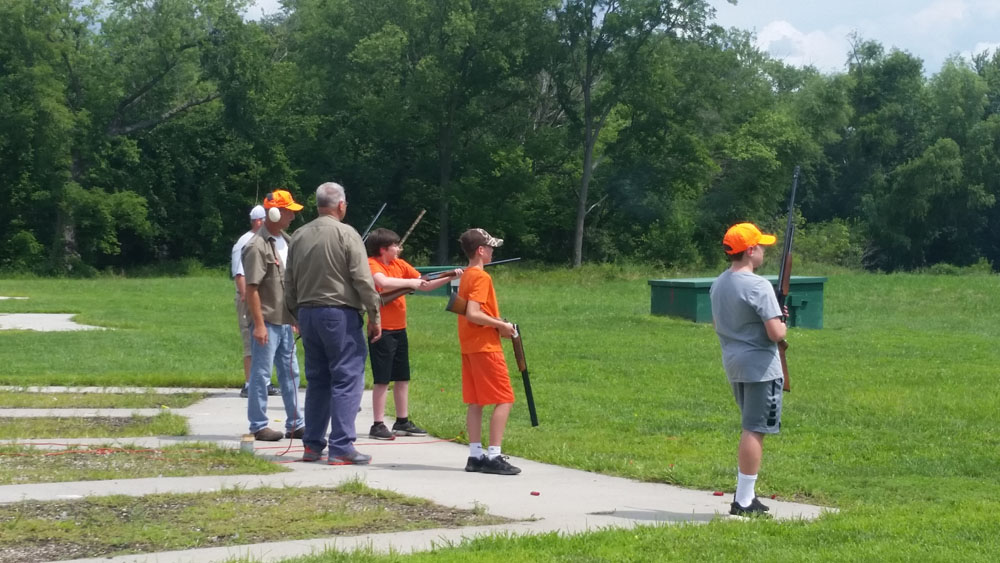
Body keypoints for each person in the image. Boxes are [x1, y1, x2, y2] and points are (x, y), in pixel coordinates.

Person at [284, 182, 382, 465]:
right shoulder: (346, 233)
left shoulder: (299, 235)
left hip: (307, 313)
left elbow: (288, 282)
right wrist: (374, 315)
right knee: (347, 376)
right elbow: (363, 279)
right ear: (341, 205)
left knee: (317, 380)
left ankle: (312, 445)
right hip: (338, 314)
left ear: (317, 205)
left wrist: (295, 315)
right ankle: (341, 446)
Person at [709, 222, 787, 517]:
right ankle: (743, 501)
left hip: (734, 363)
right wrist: (782, 321)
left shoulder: (719, 283)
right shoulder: (758, 285)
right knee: (755, 429)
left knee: (751, 425)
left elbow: (721, 324)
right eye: (761, 246)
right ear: (750, 250)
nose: (764, 251)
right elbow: (776, 334)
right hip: (760, 367)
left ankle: (746, 496)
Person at [364, 228, 462, 440]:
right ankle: (378, 424)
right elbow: (383, 283)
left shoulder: (400, 264)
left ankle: (402, 421)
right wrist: (410, 283)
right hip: (382, 328)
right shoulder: (373, 264)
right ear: (383, 249)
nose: (399, 248)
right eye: (395, 246)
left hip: (400, 328)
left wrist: (449, 276)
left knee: (402, 377)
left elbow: (423, 284)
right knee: (382, 379)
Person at [241, 190, 307, 441]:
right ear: (275, 212)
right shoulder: (256, 246)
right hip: (267, 321)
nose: (292, 215)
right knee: (262, 374)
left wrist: (296, 317)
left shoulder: (287, 241)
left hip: (286, 321)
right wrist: (258, 325)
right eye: (288, 211)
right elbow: (252, 289)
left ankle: (295, 423)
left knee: (292, 373)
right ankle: (258, 425)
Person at [455, 228, 520, 476]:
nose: (493, 252)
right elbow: (473, 313)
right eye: (490, 247)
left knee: (476, 401)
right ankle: (493, 455)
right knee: (504, 399)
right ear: (480, 250)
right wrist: (501, 325)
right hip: (485, 346)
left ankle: (475, 455)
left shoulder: (467, 276)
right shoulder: (482, 278)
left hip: (470, 346)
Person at [231, 205, 278, 398]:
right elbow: (240, 274)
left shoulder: (264, 240)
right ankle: (249, 383)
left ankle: (264, 382)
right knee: (250, 340)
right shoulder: (246, 242)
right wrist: (246, 297)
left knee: (264, 342)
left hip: (260, 298)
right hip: (248, 298)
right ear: (258, 221)